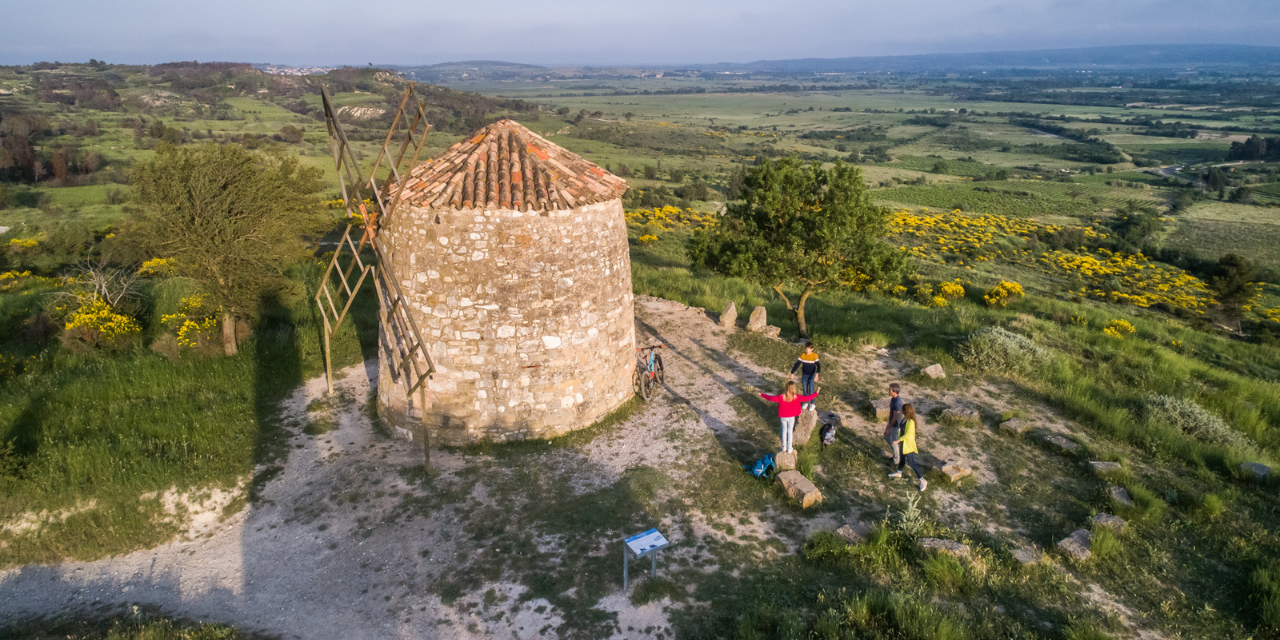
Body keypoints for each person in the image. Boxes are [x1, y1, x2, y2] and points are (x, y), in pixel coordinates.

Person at [760, 381, 820, 454]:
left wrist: (762, 394)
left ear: (786, 388)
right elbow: (807, 398)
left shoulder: (781, 397)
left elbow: (771, 398)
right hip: (791, 417)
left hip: (783, 417)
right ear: (794, 388)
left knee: (784, 431)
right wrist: (816, 393)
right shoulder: (796, 397)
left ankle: (784, 447)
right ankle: (789, 448)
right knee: (790, 431)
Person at [888, 403, 927, 492]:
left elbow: (908, 434)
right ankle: (899, 472)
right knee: (902, 459)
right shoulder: (905, 419)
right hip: (903, 443)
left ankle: (922, 480)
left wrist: (898, 441)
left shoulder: (911, 422)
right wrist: (899, 439)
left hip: (908, 445)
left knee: (911, 462)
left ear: (905, 411)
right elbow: (902, 431)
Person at [789, 342, 821, 410]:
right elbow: (797, 364)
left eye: (809, 349)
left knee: (811, 390)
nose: (807, 351)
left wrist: (817, 374)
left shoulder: (814, 356)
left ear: (812, 349)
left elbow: (818, 366)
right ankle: (806, 402)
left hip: (811, 375)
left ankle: (812, 403)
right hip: (804, 375)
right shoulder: (803, 355)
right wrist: (792, 373)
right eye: (806, 349)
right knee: (805, 390)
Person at [884, 383, 903, 466]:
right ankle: (897, 454)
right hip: (892, 422)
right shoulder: (893, 399)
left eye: (890, 390)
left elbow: (895, 417)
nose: (889, 391)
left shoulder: (897, 403)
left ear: (894, 391)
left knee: (894, 442)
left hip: (895, 425)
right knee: (886, 437)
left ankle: (896, 461)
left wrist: (889, 427)